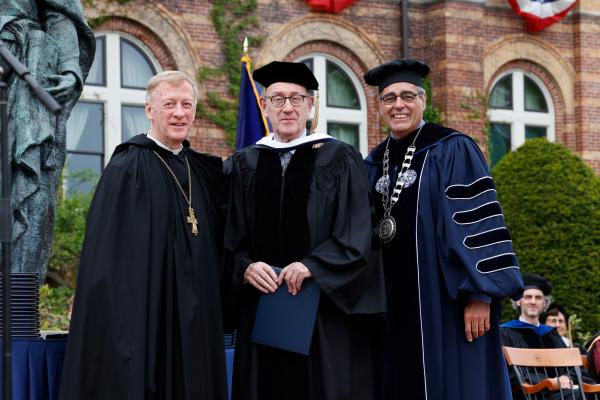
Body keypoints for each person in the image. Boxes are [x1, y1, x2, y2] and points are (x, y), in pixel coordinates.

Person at [59, 71, 229, 400]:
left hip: (199, 317)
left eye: (187, 104)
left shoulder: (204, 172)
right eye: (169, 104)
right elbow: (108, 259)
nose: (180, 113)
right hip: (150, 315)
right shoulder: (128, 167)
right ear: (150, 110)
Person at [363, 58, 524, 400]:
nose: (398, 105)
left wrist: (481, 295)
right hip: (388, 307)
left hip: (446, 304)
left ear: (423, 100)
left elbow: (478, 223)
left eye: (407, 95)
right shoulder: (373, 162)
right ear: (379, 106)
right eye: (389, 98)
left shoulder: (451, 148)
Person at [225, 61, 386, 400]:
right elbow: (226, 238)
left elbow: (359, 230)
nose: (287, 107)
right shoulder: (244, 164)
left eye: (296, 99)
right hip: (262, 312)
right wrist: (245, 268)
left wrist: (314, 265)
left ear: (311, 105)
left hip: (322, 313)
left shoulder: (339, 159)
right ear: (265, 106)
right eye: (278, 98)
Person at [0, 0, 94, 278]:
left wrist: (68, 66)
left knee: (26, 184)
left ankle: (18, 308)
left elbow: (59, 12)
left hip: (20, 63)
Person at [500, 273, 596, 398]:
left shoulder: (551, 334)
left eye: (538, 298)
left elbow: (573, 366)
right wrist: (548, 381)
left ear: (544, 304)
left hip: (563, 392)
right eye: (528, 297)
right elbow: (508, 373)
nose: (533, 302)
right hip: (531, 394)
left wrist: (566, 378)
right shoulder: (506, 332)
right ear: (518, 302)